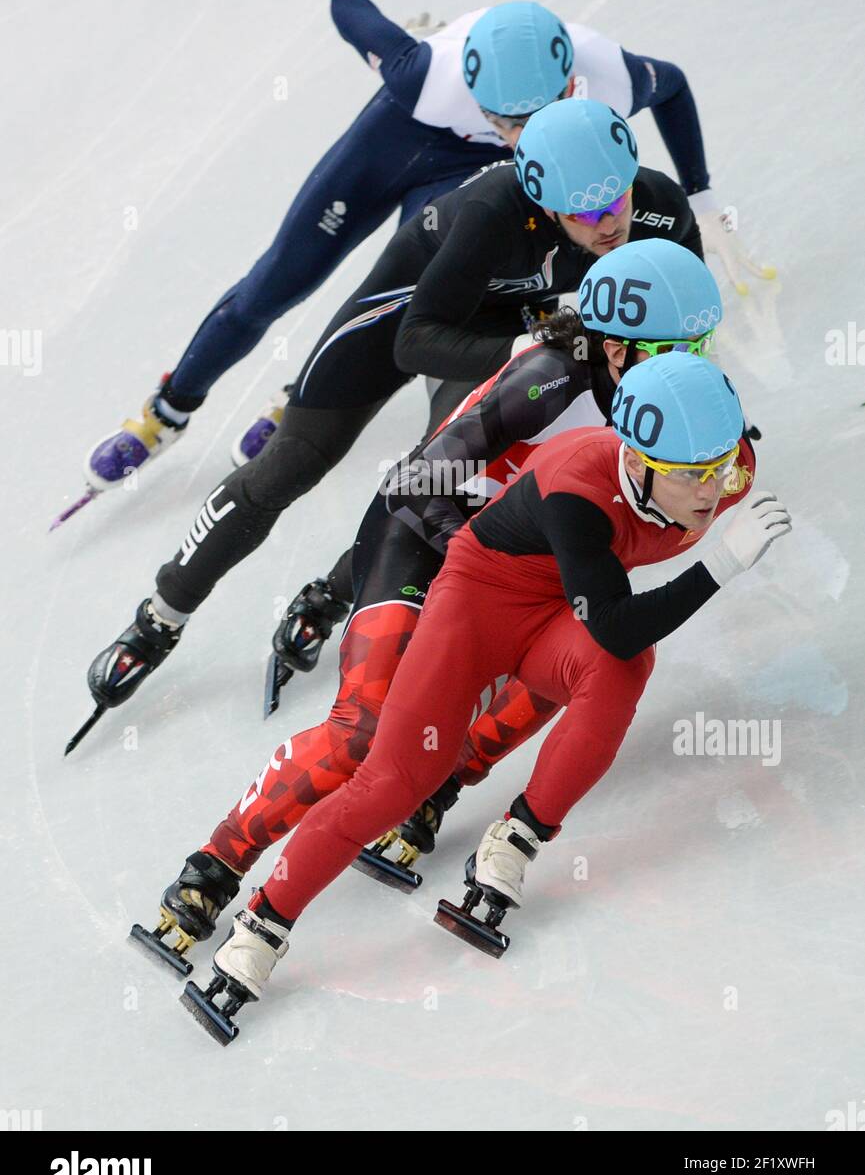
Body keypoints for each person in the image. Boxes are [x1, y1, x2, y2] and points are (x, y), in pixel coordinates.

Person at [128, 239, 724, 971]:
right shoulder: (547, 382)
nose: (696, 359)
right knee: (364, 729)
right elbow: (417, 484)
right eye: (679, 345)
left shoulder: (671, 404)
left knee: (577, 641)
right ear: (616, 349)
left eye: (702, 342)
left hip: (515, 558)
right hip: (422, 535)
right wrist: (477, 555)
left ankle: (436, 783)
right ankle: (215, 868)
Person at [176, 353, 792, 1042]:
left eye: (720, 466)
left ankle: (518, 833)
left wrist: (714, 479)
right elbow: (614, 623)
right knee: (392, 782)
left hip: (558, 609)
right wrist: (719, 564)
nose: (713, 489)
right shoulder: (579, 485)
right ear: (638, 459)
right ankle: (262, 922)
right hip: (475, 608)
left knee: (621, 670)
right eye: (692, 474)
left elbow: (615, 632)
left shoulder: (726, 464)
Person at [67, 99, 704, 751]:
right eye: (583, 212)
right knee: (296, 459)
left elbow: (680, 329)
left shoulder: (657, 208)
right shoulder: (493, 212)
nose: (608, 224)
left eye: (616, 201)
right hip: (407, 312)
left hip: (511, 322)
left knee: (452, 471)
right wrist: (521, 349)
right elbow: (414, 341)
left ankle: (332, 593)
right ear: (542, 202)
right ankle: (160, 616)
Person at [80, 0, 726, 494]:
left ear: (569, 90)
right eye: (500, 121)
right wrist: (405, 43)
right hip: (403, 136)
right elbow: (345, 4)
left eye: (527, 124)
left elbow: (671, 85)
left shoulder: (608, 74)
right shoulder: (425, 75)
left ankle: (305, 389)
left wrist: (700, 200)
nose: (513, 136)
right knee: (279, 280)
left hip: (457, 176)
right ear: (473, 94)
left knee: (411, 286)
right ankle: (168, 409)